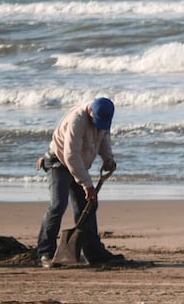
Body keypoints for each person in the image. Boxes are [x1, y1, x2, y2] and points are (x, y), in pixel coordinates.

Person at [36, 97, 124, 267]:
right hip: (58, 163)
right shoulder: (76, 121)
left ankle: (94, 253)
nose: (101, 125)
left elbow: (103, 139)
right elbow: (71, 156)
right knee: (58, 205)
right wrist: (87, 185)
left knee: (88, 206)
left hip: (79, 165)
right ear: (91, 112)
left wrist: (108, 158)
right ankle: (45, 252)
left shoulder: (103, 118)